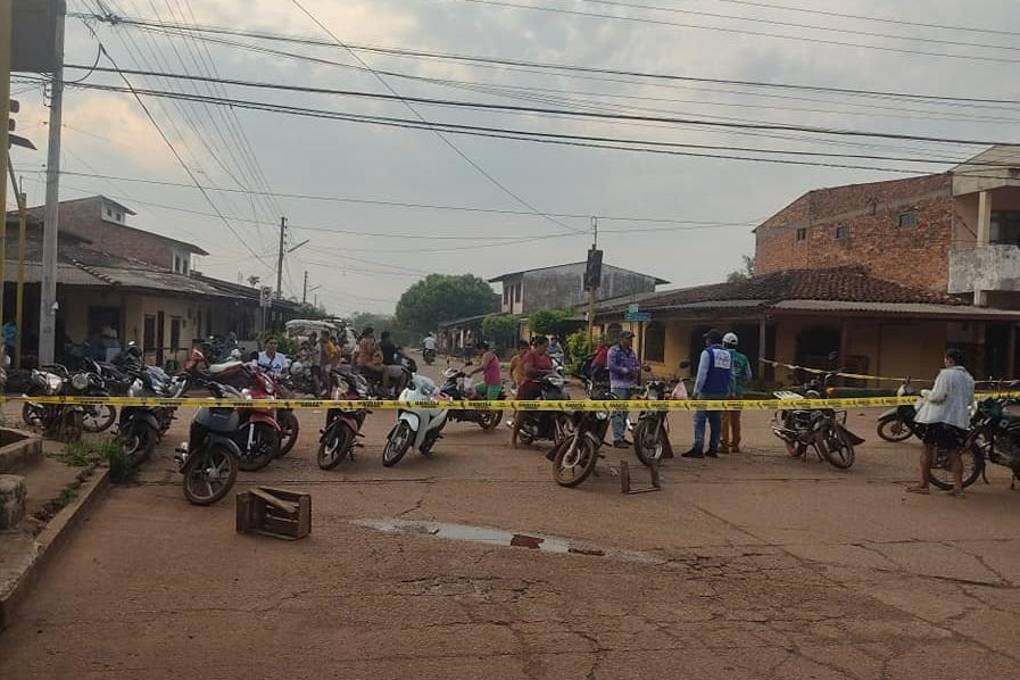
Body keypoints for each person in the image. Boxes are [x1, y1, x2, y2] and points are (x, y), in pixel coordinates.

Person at [908, 348, 975, 498]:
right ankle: (958, 487)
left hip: (939, 418)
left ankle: (924, 484)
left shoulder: (946, 374)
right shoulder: (968, 378)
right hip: (958, 420)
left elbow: (937, 397)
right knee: (954, 452)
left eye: (945, 359)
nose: (944, 361)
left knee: (927, 448)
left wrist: (924, 392)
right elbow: (970, 400)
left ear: (950, 360)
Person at [683, 329, 734, 459]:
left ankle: (698, 448)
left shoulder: (707, 353)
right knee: (716, 421)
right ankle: (713, 448)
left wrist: (696, 391)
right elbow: (731, 375)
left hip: (706, 391)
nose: (706, 341)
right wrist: (731, 391)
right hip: (722, 392)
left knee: (700, 420)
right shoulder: (727, 355)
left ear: (710, 340)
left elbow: (702, 374)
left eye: (707, 339)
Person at [511, 336, 554, 448]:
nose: (546, 349)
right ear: (538, 345)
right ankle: (514, 438)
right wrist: (544, 372)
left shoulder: (547, 357)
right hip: (529, 386)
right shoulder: (530, 355)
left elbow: (552, 369)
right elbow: (528, 370)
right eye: (545, 346)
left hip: (544, 386)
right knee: (522, 411)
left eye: (547, 347)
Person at [720, 332, 753, 454]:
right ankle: (735, 445)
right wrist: (741, 384)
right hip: (739, 392)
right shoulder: (743, 358)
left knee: (724, 418)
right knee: (736, 419)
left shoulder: (723, 356)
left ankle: (724, 444)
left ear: (724, 343)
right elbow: (748, 376)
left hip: (725, 392)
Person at [607, 330, 640, 448]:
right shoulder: (614, 351)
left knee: (625, 412)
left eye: (631, 339)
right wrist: (625, 370)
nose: (630, 341)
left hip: (629, 384)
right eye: (627, 338)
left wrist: (636, 369)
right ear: (621, 339)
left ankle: (621, 436)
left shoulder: (631, 352)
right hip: (618, 385)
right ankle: (617, 439)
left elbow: (636, 364)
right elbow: (611, 366)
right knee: (618, 412)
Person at [355, 327, 388, 392]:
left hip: (360, 361)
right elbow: (370, 351)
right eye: (372, 332)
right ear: (370, 333)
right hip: (366, 362)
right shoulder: (368, 340)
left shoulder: (362, 340)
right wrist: (376, 347)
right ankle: (384, 388)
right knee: (386, 369)